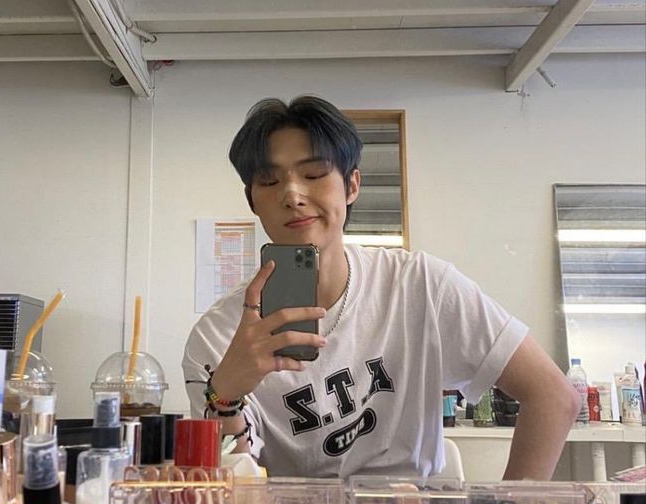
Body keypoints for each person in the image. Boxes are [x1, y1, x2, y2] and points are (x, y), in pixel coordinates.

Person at [182, 96, 579, 479]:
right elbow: (231, 485)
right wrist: (225, 394)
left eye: (314, 174)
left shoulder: (421, 285)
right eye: (269, 180)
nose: (292, 194)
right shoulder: (217, 335)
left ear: (352, 185)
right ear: (252, 199)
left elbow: (554, 396)